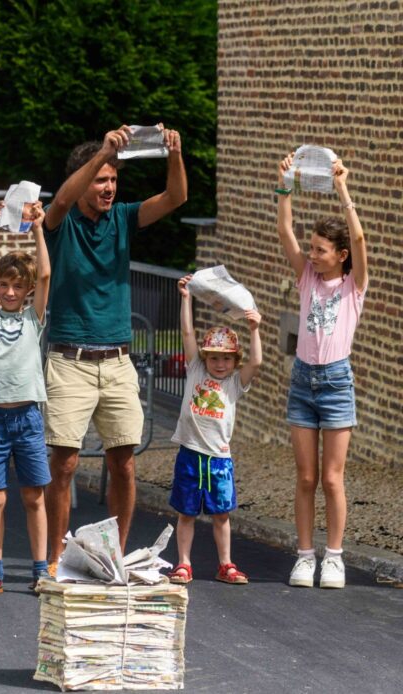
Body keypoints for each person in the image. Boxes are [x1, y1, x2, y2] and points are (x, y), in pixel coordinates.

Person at [42, 125, 187, 568]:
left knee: (123, 462)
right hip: (70, 359)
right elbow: (60, 202)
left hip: (118, 359)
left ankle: (115, 557)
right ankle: (54, 558)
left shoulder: (122, 217)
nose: (108, 188)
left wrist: (174, 153)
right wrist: (104, 151)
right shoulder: (62, 222)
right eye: (100, 180)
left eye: (113, 180)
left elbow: (176, 197)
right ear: (86, 178)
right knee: (64, 464)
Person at [276, 155, 368, 589]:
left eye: (319, 250)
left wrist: (342, 187)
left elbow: (361, 238)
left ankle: (334, 557)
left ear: (340, 255)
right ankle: (304, 556)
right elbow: (285, 232)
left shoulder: (353, 286)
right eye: (310, 248)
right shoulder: (307, 278)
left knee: (332, 478)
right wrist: (285, 185)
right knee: (306, 477)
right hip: (302, 382)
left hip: (335, 383)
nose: (311, 255)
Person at [0, 199, 52, 597]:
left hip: (27, 418)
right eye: (4, 285)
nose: (10, 291)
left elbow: (46, 273)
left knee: (34, 496)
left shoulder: (33, 319)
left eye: (18, 286)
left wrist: (37, 228)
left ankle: (41, 570)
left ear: (28, 290)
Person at [167, 275, 262, 585]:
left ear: (235, 361)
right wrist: (186, 299)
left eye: (226, 359)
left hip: (219, 458)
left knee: (221, 514)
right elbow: (187, 332)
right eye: (215, 358)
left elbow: (256, 363)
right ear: (205, 357)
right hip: (191, 453)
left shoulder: (234, 383)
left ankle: (226, 564)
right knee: (187, 513)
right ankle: (183, 563)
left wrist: (254, 329)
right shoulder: (196, 369)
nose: (220, 364)